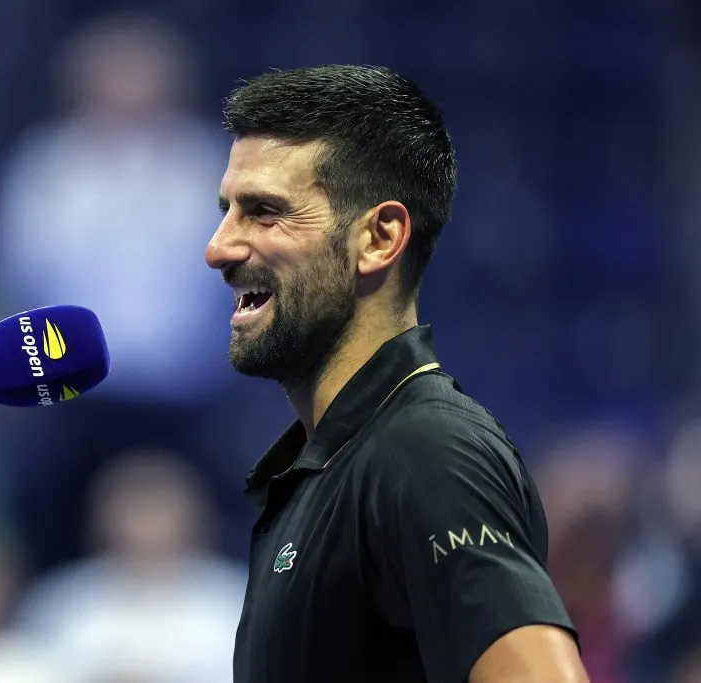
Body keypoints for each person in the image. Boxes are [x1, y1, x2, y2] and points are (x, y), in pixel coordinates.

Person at [205, 65, 590, 683]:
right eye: (227, 211)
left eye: (264, 212)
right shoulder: (336, 466)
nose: (218, 247)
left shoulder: (426, 452)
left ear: (380, 238)